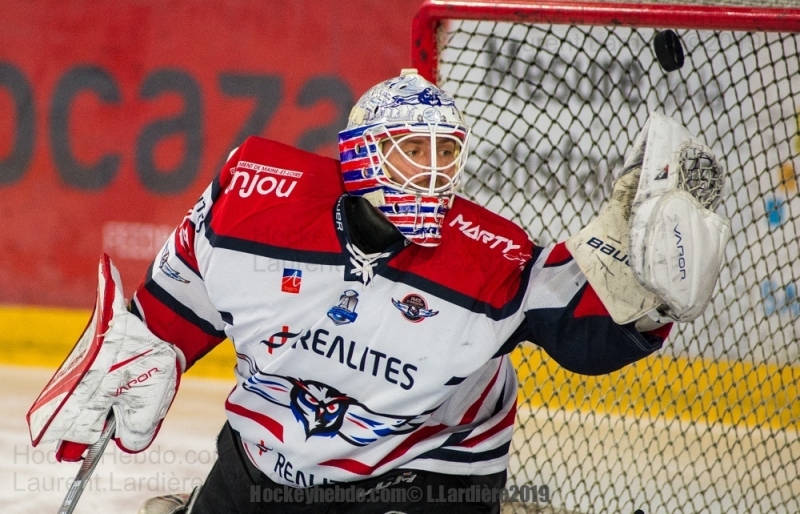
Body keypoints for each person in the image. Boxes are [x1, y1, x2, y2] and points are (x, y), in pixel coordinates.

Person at [27, 69, 729, 514]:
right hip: (257, 467)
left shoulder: (493, 256)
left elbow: (587, 339)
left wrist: (653, 305)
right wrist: (154, 348)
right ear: (361, 154)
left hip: (422, 479)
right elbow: (183, 301)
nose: (433, 172)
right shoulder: (254, 196)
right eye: (411, 150)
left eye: (445, 152)